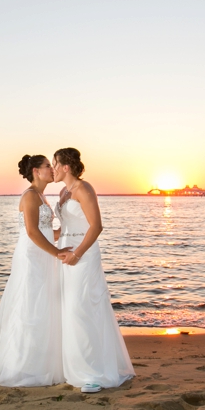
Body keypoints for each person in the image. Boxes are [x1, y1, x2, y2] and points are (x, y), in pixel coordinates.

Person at [53, 147, 135, 391]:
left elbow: (96, 226)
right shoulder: (63, 192)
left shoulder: (84, 189)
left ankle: (93, 374)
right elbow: (64, 227)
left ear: (66, 167)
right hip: (65, 254)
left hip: (83, 255)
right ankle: (75, 367)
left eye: (56, 164)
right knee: (69, 310)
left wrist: (77, 254)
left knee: (83, 309)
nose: (53, 169)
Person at [0, 155, 65, 387]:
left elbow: (47, 232)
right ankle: (23, 366)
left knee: (43, 306)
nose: (52, 169)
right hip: (32, 257)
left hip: (43, 254)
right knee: (29, 306)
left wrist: (72, 235)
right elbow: (32, 232)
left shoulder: (41, 196)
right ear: (37, 171)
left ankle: (42, 362)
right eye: (48, 166)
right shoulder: (29, 196)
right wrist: (57, 252)